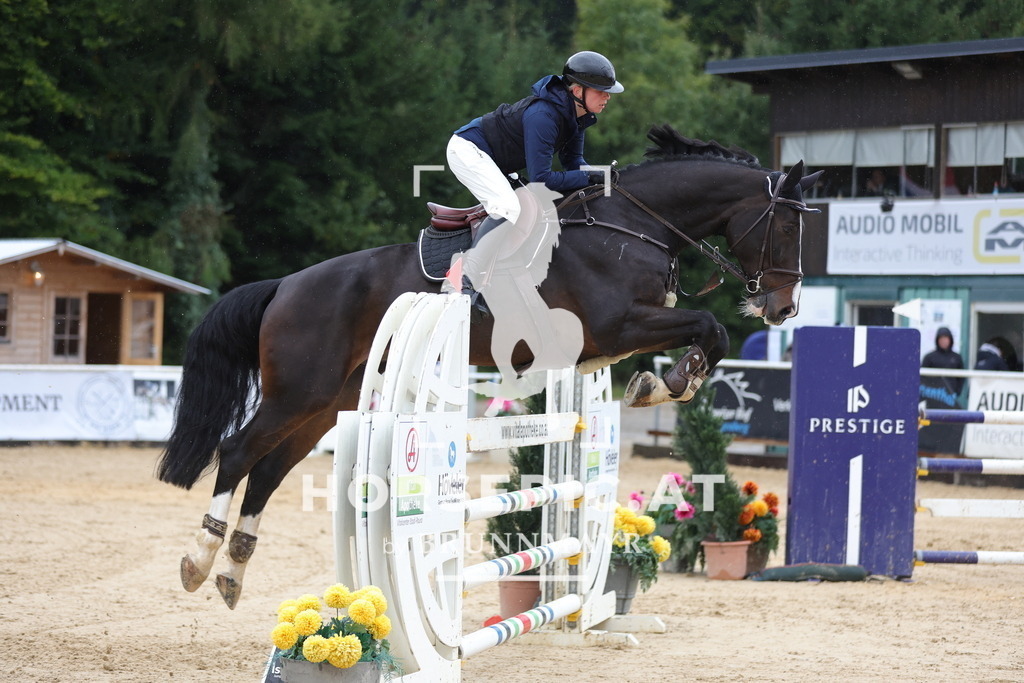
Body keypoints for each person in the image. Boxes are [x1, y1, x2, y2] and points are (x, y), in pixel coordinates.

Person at [446, 51, 624, 315]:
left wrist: (603, 176)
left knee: (533, 210)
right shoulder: (543, 115)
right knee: (508, 208)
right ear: (577, 90)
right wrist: (590, 176)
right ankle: (463, 281)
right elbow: (542, 179)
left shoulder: (575, 117)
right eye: (601, 91)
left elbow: (574, 163)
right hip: (468, 150)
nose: (607, 96)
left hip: (495, 161)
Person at [921, 327, 964, 395]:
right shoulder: (929, 357)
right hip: (933, 394)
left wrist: (957, 392)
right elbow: (923, 377)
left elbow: (961, 377)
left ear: (950, 340)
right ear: (937, 340)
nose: (943, 341)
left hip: (951, 394)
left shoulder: (956, 357)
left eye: (946, 338)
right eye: (941, 338)